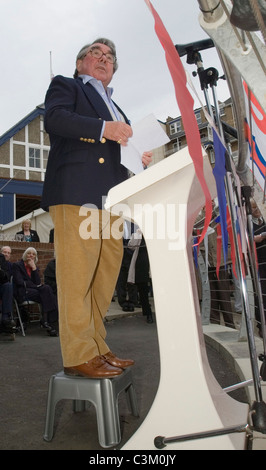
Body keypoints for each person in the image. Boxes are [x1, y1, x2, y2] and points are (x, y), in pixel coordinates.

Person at [41, 38, 152, 378]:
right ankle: (77, 353)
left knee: (103, 278)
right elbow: (56, 120)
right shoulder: (67, 85)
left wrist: (139, 155)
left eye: (109, 57)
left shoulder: (118, 109)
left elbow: (120, 147)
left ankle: (97, 347)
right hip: (76, 191)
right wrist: (105, 129)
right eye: (96, 54)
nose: (104, 59)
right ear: (81, 63)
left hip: (110, 200)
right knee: (78, 277)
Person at [12, 247, 58, 336]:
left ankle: (45, 320)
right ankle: (47, 321)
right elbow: (19, 282)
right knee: (47, 293)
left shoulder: (34, 266)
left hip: (34, 291)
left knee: (47, 289)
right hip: (23, 291)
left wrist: (33, 268)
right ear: (25, 254)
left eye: (33, 254)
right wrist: (36, 286)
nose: (31, 255)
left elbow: (37, 282)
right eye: (29, 253)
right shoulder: (17, 265)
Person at [128, 230, 153, 324]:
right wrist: (139, 233)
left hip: (153, 265)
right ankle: (148, 313)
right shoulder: (138, 234)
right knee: (143, 293)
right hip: (141, 266)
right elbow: (131, 245)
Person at [251, 199, 266, 336]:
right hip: (257, 262)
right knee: (260, 294)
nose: (256, 211)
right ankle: (261, 325)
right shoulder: (248, 224)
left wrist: (262, 236)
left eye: (258, 208)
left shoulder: (264, 221)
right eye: (253, 208)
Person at [0, 246, 15, 333]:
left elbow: (7, 278)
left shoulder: (9, 265)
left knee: (8, 286)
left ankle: (6, 317)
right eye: (4, 252)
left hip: (2, 288)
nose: (6, 254)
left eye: (8, 253)